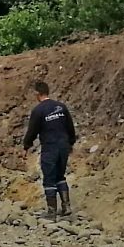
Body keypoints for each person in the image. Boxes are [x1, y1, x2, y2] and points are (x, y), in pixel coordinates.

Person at [21, 79, 77, 216]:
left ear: (37, 93)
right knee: (60, 175)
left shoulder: (38, 110)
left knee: (49, 177)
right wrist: (70, 143)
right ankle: (66, 206)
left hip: (50, 147)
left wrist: (26, 146)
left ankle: (52, 210)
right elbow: (70, 127)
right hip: (63, 146)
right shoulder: (61, 107)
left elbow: (32, 131)